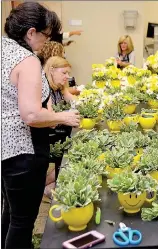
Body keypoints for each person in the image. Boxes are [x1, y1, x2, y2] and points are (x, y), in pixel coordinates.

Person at [1, 3, 80, 248]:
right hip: (24, 150)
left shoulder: (4, 48)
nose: (45, 41)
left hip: (6, 148)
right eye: (45, 35)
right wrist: (62, 117)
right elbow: (31, 114)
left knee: (10, 214)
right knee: (23, 221)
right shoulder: (27, 60)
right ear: (31, 32)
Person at [43, 56, 77, 199]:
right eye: (64, 73)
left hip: (59, 132)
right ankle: (47, 187)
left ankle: (50, 184)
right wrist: (67, 114)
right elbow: (50, 119)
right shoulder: (45, 87)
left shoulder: (60, 87)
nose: (67, 77)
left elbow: (75, 102)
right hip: (47, 136)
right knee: (72, 149)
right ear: (51, 70)